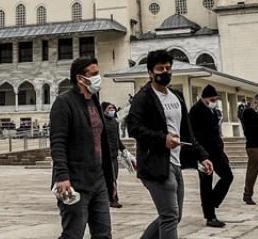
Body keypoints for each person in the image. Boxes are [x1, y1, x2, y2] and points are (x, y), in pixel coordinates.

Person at [125, 49, 213, 239]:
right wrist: (162, 139)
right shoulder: (144, 97)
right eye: (160, 69)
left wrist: (202, 155)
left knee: (174, 216)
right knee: (170, 216)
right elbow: (134, 127)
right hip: (156, 164)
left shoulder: (176, 96)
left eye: (168, 68)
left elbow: (186, 132)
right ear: (150, 72)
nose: (165, 72)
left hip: (176, 164)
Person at [50, 56, 117, 239]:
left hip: (98, 180)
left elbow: (101, 142)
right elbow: (58, 143)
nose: (98, 77)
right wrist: (62, 176)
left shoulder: (94, 99)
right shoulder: (64, 103)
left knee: (104, 234)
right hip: (75, 181)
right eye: (94, 74)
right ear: (81, 78)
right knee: (73, 234)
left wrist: (110, 178)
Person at [187, 84, 232, 228]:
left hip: (216, 152)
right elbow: (192, 135)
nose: (214, 102)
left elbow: (215, 133)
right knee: (206, 184)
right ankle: (210, 216)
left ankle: (211, 202)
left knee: (228, 176)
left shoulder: (214, 112)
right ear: (204, 98)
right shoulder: (195, 111)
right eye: (212, 99)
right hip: (203, 153)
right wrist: (200, 155)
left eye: (215, 99)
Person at [101, 101, 124, 209]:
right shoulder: (102, 122)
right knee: (111, 178)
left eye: (113, 108)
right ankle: (113, 199)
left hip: (114, 154)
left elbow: (117, 138)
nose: (111, 110)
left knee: (115, 177)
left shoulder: (115, 122)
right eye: (109, 109)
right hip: (105, 155)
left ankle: (111, 197)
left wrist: (123, 149)